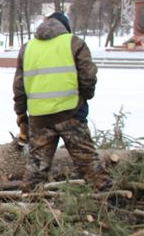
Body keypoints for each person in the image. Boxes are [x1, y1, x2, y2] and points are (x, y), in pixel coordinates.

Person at [13, 11, 110, 191]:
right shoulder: (74, 43)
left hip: (39, 118)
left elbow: (19, 86)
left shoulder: (27, 48)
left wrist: (21, 113)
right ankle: (109, 200)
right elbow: (88, 77)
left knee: (37, 167)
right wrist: (85, 97)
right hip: (71, 114)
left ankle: (28, 206)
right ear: (65, 27)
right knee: (88, 162)